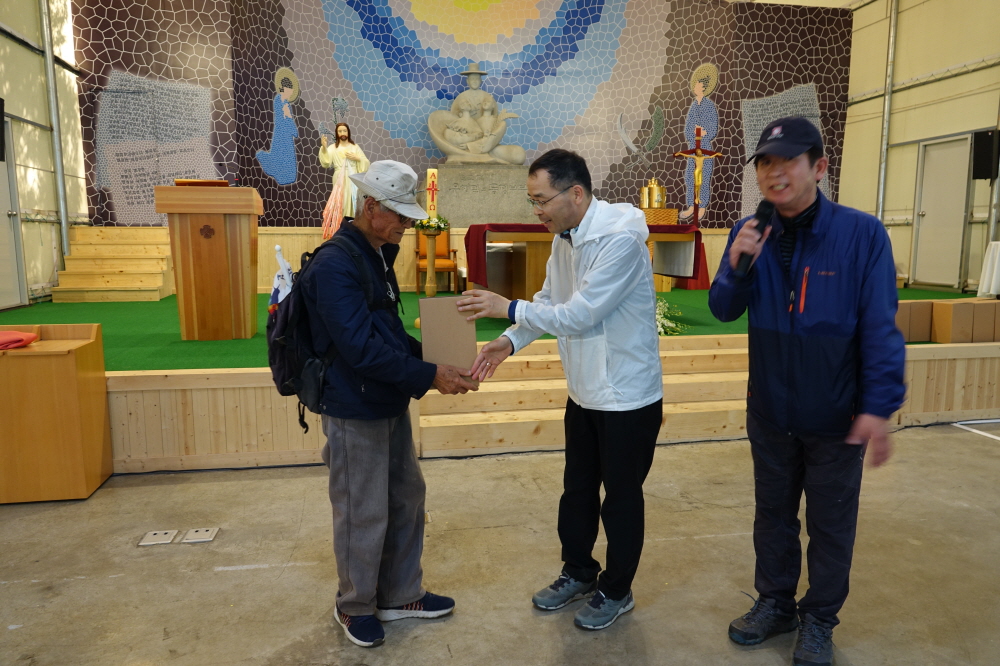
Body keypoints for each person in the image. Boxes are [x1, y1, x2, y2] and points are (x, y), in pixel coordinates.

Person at [708, 117, 905, 666]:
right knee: (772, 515)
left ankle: (819, 619)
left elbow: (881, 327)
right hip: (771, 410)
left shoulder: (862, 234)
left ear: (819, 167)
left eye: (788, 161)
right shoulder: (750, 230)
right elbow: (722, 309)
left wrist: (878, 406)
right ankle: (775, 603)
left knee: (830, 524)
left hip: (835, 415)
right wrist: (737, 266)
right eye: (765, 163)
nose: (775, 173)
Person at [456, 149, 663, 631]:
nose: (537, 211)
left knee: (621, 498)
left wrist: (507, 308)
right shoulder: (564, 238)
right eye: (532, 201)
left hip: (626, 396)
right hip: (585, 391)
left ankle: (618, 590)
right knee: (578, 490)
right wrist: (509, 341)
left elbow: (580, 315)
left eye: (541, 200)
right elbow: (550, 301)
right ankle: (579, 571)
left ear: (576, 193)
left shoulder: (620, 241)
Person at [301, 160, 479, 648]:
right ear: (371, 206)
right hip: (351, 404)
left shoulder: (376, 253)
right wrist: (431, 375)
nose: (406, 224)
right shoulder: (336, 263)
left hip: (384, 397)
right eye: (399, 215)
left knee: (405, 495)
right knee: (362, 508)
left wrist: (439, 362)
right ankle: (355, 604)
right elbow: (359, 348)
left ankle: (401, 594)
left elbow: (390, 334)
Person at [680, 63, 719, 220]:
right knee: (690, 177)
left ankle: (701, 206)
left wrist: (704, 132)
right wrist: (693, 132)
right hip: (693, 146)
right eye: (695, 85)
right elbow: (688, 128)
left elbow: (713, 127)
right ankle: (691, 205)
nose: (695, 87)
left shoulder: (709, 106)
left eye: (698, 85)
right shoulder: (693, 106)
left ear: (703, 87)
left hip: (704, 147)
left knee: (703, 177)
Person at [319, 122, 369, 238]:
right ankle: (341, 231)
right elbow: (326, 162)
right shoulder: (333, 148)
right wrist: (324, 148)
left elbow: (365, 162)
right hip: (339, 179)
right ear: (337, 133)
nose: (342, 133)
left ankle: (355, 231)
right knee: (341, 204)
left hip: (353, 179)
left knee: (354, 203)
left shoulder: (355, 147)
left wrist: (358, 158)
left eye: (344, 131)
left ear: (348, 132)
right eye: (340, 131)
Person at [256, 70, 299, 185]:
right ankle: (280, 173)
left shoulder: (287, 104)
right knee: (280, 156)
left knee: (288, 157)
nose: (290, 93)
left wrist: (288, 116)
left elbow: (289, 120)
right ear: (285, 89)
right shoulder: (278, 100)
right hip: (281, 135)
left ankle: (288, 176)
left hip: (287, 136)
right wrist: (286, 114)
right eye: (289, 90)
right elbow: (281, 118)